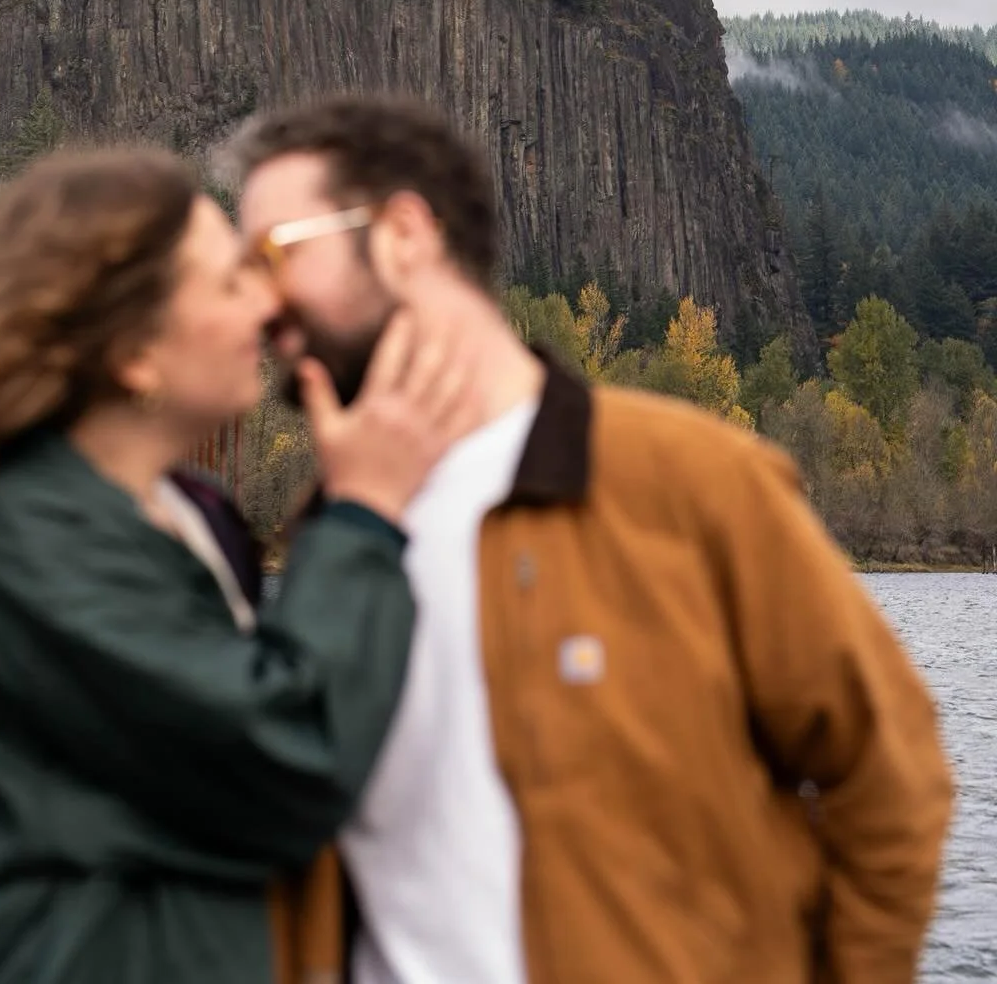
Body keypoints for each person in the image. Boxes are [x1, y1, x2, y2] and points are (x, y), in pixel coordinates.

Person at [231, 97, 953, 984]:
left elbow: (892, 782)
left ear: (405, 234)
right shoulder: (328, 536)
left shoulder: (693, 483)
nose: (256, 306)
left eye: (274, 254)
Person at [0, 145, 477, 984]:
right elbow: (286, 756)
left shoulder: (163, 516)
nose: (266, 299)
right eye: (229, 282)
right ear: (134, 353)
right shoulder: (29, 545)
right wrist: (361, 517)